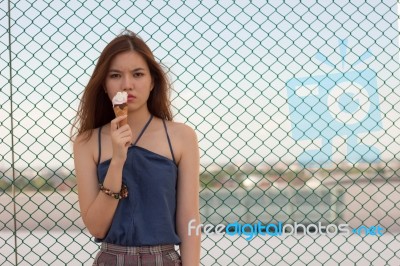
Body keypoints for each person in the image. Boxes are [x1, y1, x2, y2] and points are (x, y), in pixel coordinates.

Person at [71, 30, 201, 265]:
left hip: (164, 259)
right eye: (115, 75)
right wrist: (118, 159)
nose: (127, 85)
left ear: (152, 82)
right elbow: (97, 228)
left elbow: (189, 219)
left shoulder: (181, 136)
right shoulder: (87, 142)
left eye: (138, 74)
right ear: (104, 85)